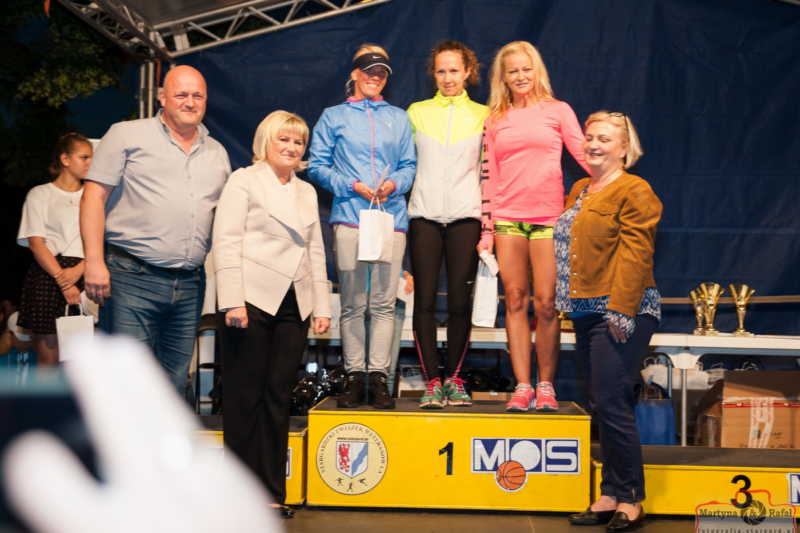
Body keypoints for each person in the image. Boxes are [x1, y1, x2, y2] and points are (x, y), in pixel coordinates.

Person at [80, 65, 231, 393]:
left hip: (190, 283)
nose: (190, 102)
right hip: (131, 277)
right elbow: (93, 196)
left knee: (174, 383)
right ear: (162, 97)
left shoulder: (217, 152)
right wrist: (93, 260)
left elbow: (226, 220)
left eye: (198, 96)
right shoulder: (125, 134)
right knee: (129, 381)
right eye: (181, 94)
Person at [213, 110, 331, 517]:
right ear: (266, 141)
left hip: (294, 303)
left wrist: (321, 305)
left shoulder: (306, 191)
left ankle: (269, 492)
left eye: (298, 141)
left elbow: (315, 249)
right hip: (250, 299)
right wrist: (232, 300)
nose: (292, 147)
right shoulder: (243, 180)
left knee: (278, 397)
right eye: (284, 139)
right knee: (243, 398)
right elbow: (226, 241)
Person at [560, 112, 661, 531]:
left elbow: (636, 256)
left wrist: (621, 309)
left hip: (622, 310)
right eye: (590, 137)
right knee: (600, 401)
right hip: (585, 310)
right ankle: (609, 493)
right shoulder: (580, 189)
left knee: (612, 401)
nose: (594, 144)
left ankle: (631, 498)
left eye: (604, 138)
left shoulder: (635, 190)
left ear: (624, 148)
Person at [477, 41, 590, 412]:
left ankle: (546, 385)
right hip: (508, 218)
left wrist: (615, 176)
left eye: (526, 69)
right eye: (513, 71)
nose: (521, 76)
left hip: (548, 219)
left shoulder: (558, 111)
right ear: (503, 77)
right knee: (514, 300)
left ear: (537, 70)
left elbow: (585, 155)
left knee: (546, 304)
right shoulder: (495, 118)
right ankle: (522, 385)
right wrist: (487, 230)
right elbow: (488, 176)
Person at [308, 44, 415, 409]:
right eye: (369, 70)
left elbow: (409, 165)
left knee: (383, 303)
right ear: (354, 73)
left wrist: (394, 185)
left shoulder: (398, 118)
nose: (375, 76)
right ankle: (355, 376)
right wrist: (351, 185)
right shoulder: (333, 116)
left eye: (381, 72)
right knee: (354, 303)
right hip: (350, 216)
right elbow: (317, 165)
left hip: (390, 217)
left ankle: (378, 378)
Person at [406, 40, 488, 409]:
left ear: (468, 72)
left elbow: (490, 172)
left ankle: (454, 379)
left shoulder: (484, 115)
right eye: (441, 71)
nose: (447, 78)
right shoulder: (417, 112)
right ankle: (432, 382)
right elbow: (405, 164)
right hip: (423, 216)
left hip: (466, 216)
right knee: (423, 301)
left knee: (459, 302)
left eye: (454, 70)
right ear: (433, 74)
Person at [16, 133, 92, 366]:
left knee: (80, 361)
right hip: (49, 274)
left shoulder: (94, 196)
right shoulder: (40, 194)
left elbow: (102, 240)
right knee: (48, 357)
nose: (90, 163)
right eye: (84, 157)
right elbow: (36, 243)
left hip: (87, 272)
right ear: (65, 159)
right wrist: (64, 281)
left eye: (92, 158)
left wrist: (80, 269)